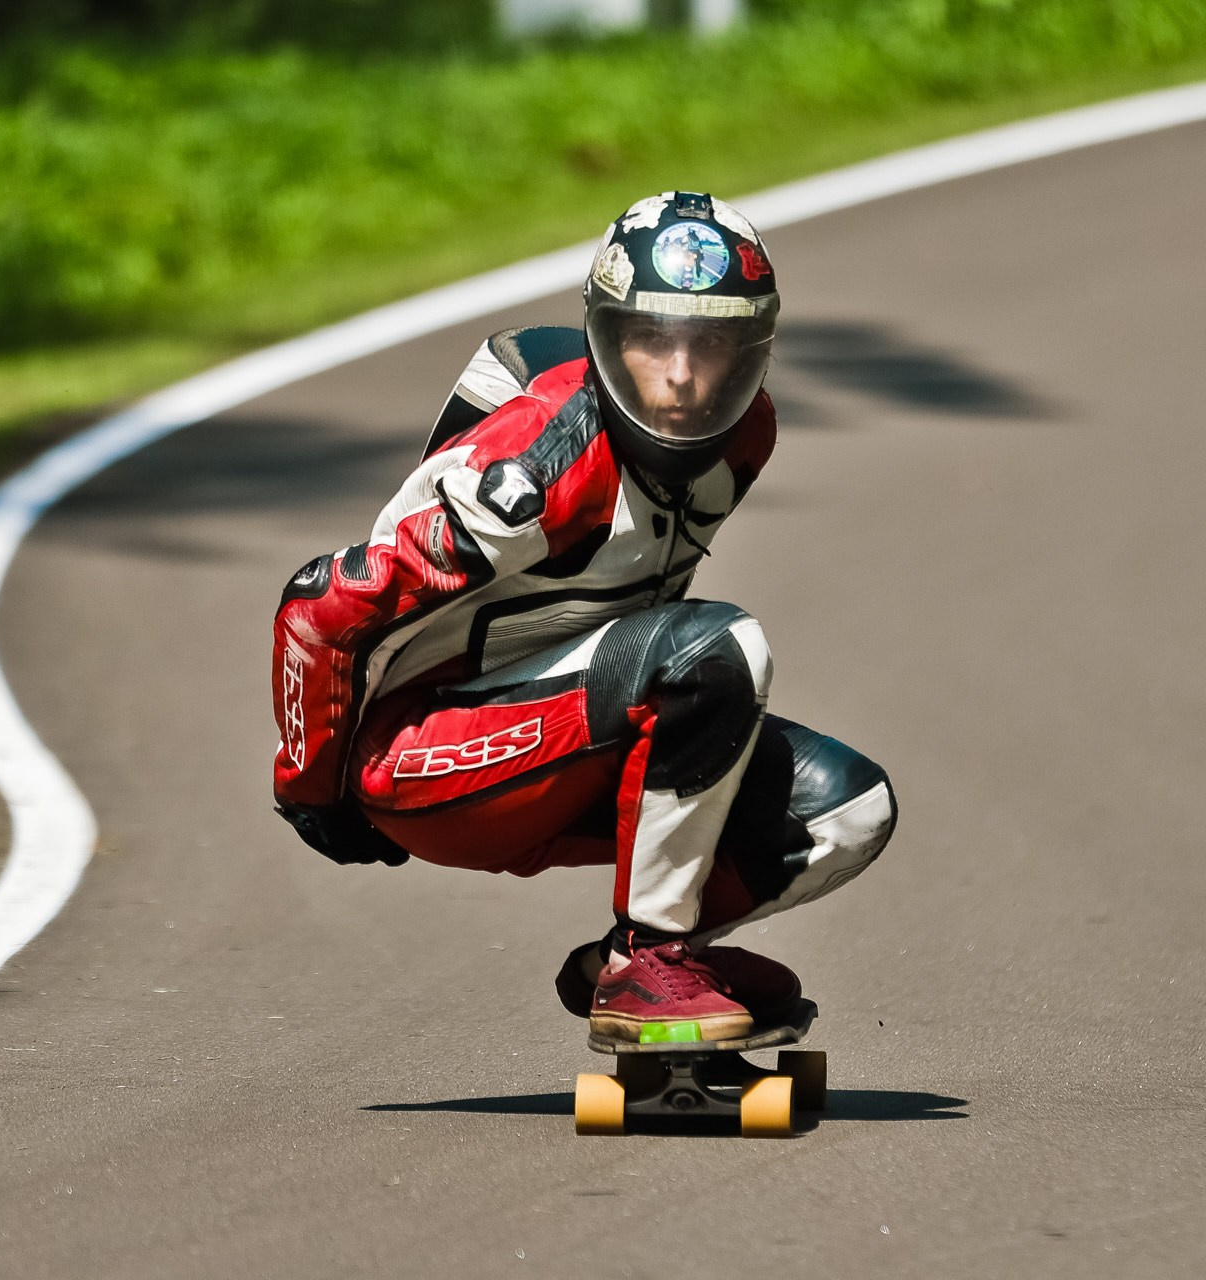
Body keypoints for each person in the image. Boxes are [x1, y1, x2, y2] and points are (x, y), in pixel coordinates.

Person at [269, 191, 896, 1041]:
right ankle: (653, 967)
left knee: (847, 809)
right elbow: (320, 603)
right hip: (428, 759)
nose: (681, 377)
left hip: (583, 738)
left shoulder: (749, 436)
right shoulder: (531, 477)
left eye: (711, 346)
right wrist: (317, 791)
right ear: (608, 338)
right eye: (652, 343)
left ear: (754, 352)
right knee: (717, 648)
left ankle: (638, 959)